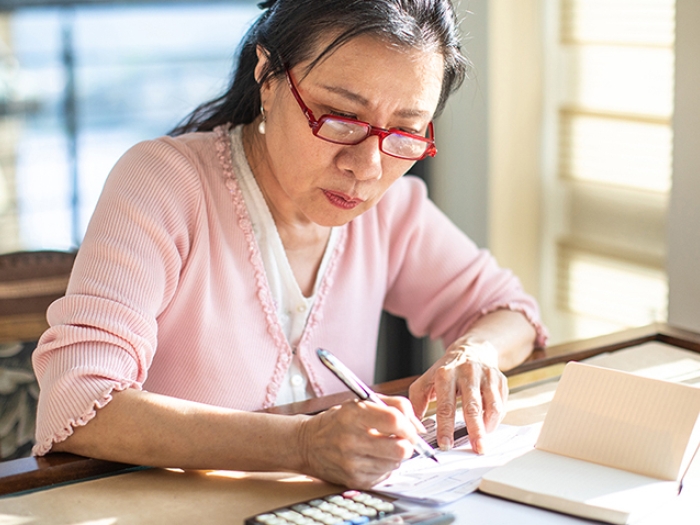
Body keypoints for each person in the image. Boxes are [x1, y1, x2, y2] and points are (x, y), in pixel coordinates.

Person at [32, 0, 547, 489]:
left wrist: (472, 353)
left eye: (406, 132)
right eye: (340, 118)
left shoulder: (390, 211)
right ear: (268, 76)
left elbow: (513, 313)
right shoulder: (164, 184)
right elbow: (81, 402)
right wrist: (302, 444)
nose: (367, 167)